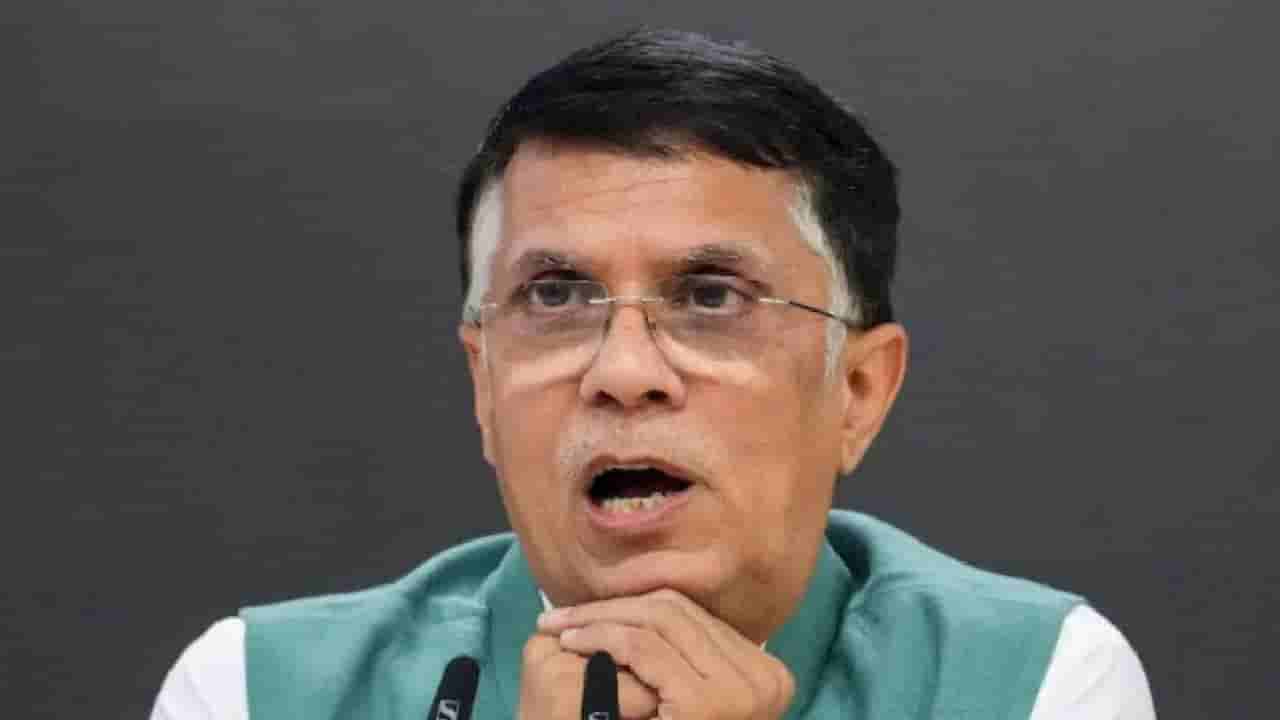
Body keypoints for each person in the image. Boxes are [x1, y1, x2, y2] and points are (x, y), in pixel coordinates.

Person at [151, 29, 1156, 719]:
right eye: (555, 296)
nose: (624, 372)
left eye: (711, 296)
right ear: (483, 385)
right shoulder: (255, 691)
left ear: (856, 391)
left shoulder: (1031, 682)